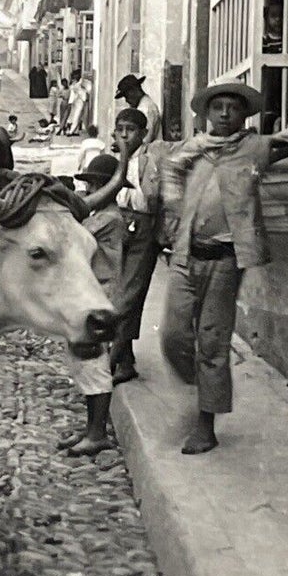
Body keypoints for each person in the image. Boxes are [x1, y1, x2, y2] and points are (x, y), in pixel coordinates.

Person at [159, 80, 288, 454]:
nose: (225, 114)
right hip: (185, 256)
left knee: (212, 342)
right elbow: (168, 174)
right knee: (173, 335)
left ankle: (205, 424)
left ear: (244, 114)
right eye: (217, 107)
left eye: (233, 108)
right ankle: (204, 385)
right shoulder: (190, 151)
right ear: (206, 114)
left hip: (225, 262)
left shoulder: (255, 148)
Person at [57, 150, 132, 457]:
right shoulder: (102, 217)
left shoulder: (108, 219)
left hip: (101, 296)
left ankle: (97, 432)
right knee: (83, 364)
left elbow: (72, 236)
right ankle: (91, 428)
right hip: (92, 294)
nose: (89, 191)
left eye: (94, 186)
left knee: (94, 364)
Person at [110, 107, 165, 385]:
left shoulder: (150, 158)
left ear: (143, 134)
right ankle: (126, 360)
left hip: (143, 228)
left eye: (130, 130)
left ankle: (109, 365)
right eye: (120, 129)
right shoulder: (112, 159)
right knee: (119, 291)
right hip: (119, 226)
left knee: (128, 296)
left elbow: (151, 197)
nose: (123, 135)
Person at [115, 74, 162, 143]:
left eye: (127, 95)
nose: (127, 100)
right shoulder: (144, 106)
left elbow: (144, 140)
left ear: (134, 90)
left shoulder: (146, 108)